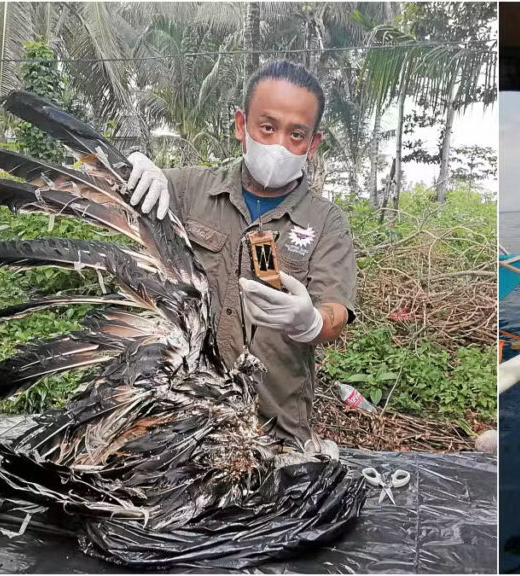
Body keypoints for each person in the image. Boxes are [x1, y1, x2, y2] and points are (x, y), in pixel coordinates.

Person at [123, 60, 356, 451]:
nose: (279, 145)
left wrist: (310, 321)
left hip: (274, 429)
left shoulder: (327, 221)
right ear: (240, 125)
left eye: (296, 134)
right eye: (267, 127)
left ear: (313, 144)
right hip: (181, 418)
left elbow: (337, 313)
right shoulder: (186, 190)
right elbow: (116, 211)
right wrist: (128, 165)